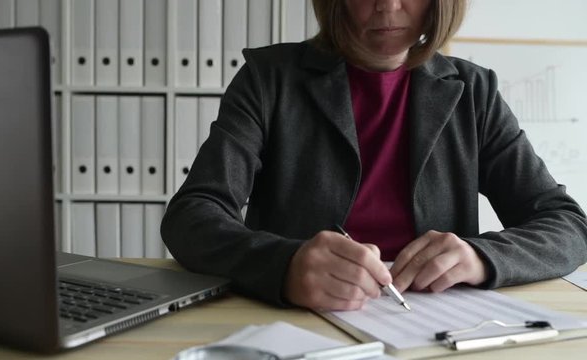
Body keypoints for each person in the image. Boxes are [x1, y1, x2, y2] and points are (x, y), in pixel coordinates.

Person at [161, 0, 587, 311]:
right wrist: (284, 265)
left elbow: (567, 224)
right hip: (303, 322)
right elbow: (192, 216)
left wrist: (481, 257)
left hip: (435, 326)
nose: (388, 6)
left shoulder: (473, 92)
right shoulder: (269, 79)